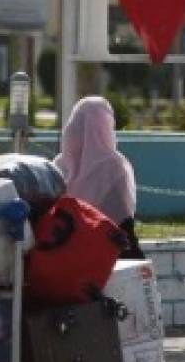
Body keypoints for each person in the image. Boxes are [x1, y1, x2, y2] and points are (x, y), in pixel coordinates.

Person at [55, 95, 144, 259]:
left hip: (61, 252)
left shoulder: (59, 166)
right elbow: (123, 222)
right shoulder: (114, 166)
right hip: (103, 257)